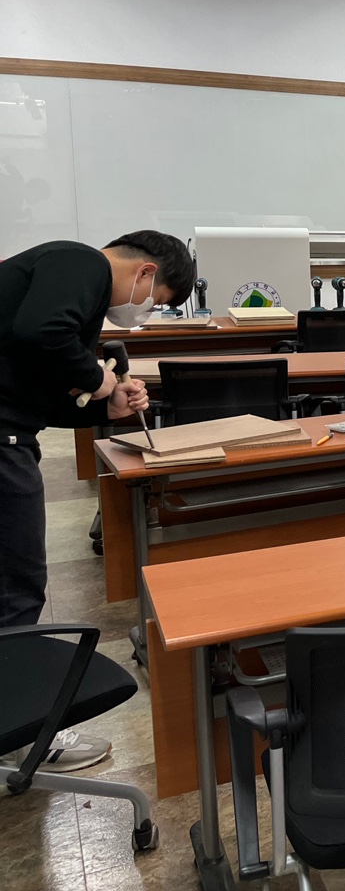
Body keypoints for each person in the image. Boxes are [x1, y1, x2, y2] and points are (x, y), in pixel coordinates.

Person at [0, 231, 195, 771]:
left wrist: (103, 407)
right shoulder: (81, 262)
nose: (143, 312)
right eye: (155, 302)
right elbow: (42, 332)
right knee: (16, 588)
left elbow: (36, 393)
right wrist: (102, 380)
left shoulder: (65, 285)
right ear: (146, 273)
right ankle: (22, 736)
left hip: (12, 428)